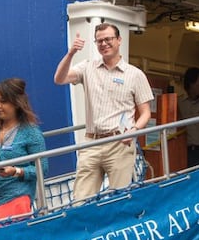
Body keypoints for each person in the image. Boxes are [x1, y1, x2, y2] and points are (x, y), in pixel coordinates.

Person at [54, 22, 154, 202]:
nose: (103, 44)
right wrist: (71, 53)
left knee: (119, 199)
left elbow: (146, 112)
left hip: (120, 143)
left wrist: (134, 130)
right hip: (91, 142)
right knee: (79, 201)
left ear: (119, 40)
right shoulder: (87, 67)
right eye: (99, 41)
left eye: (108, 39)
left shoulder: (135, 74)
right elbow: (59, 79)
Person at [0, 78, 48, 224]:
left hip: (15, 198)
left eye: (3, 101)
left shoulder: (31, 132)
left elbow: (42, 168)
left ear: (17, 103)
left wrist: (16, 171)